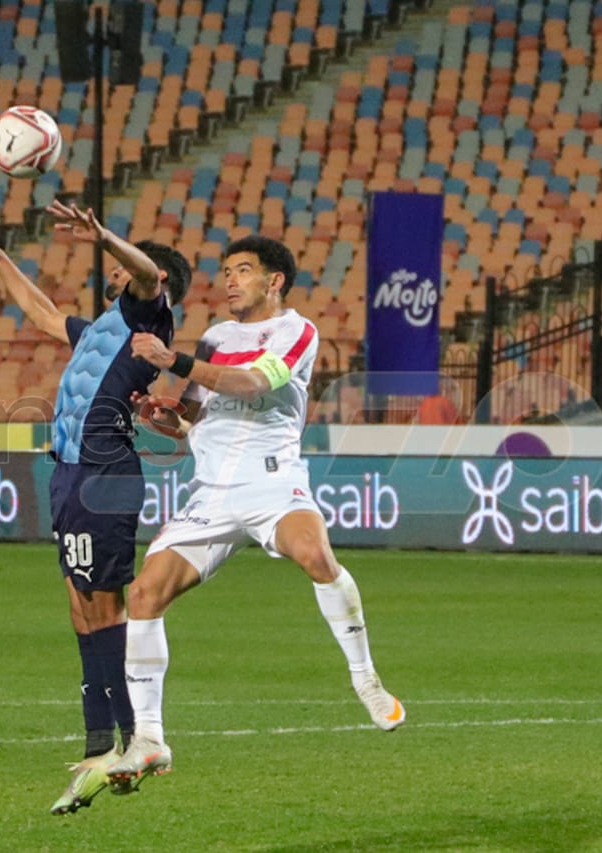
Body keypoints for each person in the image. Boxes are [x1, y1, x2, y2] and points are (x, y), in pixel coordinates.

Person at [107, 235, 405, 787]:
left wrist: (173, 360)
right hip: (211, 492)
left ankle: (364, 678)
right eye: (226, 271)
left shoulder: (297, 331)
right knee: (144, 594)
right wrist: (162, 415)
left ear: (274, 281)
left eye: (243, 270)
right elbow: (192, 419)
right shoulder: (216, 337)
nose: (230, 280)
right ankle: (149, 738)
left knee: (314, 553)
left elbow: (252, 383)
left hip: (272, 482)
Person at [0, 201, 191, 815]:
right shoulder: (106, 327)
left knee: (103, 604)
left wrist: (104, 237)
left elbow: (147, 274)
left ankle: (134, 739)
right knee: (80, 605)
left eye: (126, 267)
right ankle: (98, 740)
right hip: (71, 470)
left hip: (105, 471)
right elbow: (43, 312)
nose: (115, 272)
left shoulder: (149, 312)